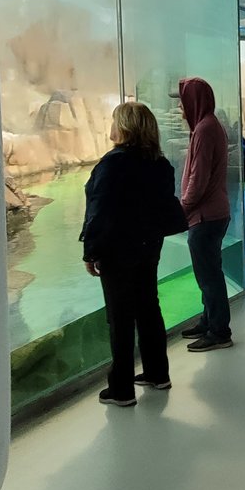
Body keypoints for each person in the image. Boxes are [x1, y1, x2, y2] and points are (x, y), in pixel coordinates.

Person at [79, 101, 178, 407]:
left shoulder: (113, 164)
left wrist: (90, 251)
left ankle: (121, 389)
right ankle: (157, 373)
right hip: (149, 246)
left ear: (124, 127)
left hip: (118, 250)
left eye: (114, 120)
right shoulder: (159, 163)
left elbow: (99, 211)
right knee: (148, 307)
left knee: (120, 318)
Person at [177, 77, 234, 352]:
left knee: (209, 276)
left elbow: (197, 181)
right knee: (209, 273)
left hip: (205, 216)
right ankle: (209, 320)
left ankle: (219, 331)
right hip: (213, 214)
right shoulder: (209, 126)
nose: (180, 109)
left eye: (182, 102)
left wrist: (181, 210)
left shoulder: (204, 129)